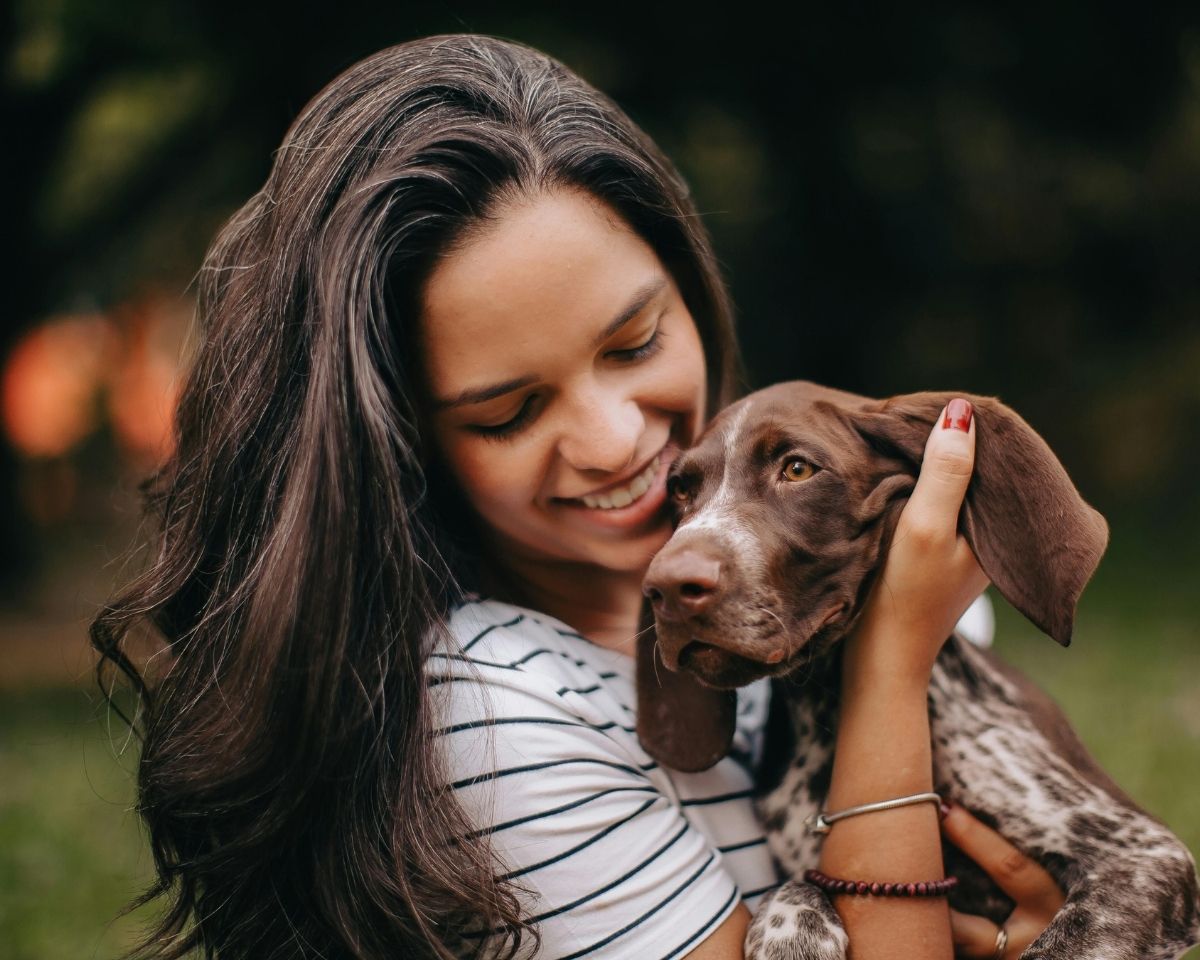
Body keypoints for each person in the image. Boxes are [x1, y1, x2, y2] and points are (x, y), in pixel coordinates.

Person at [91, 33, 1065, 960]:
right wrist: (892, 661)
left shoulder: (817, 579)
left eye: (635, 344)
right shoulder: (489, 716)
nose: (616, 443)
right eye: (510, 413)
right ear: (402, 446)